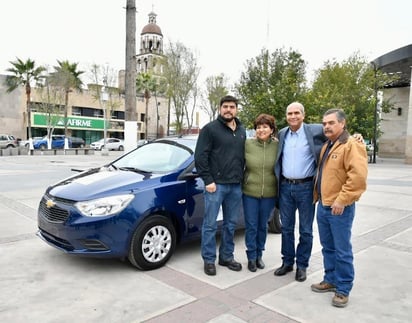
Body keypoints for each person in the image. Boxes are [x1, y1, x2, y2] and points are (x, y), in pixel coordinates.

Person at [311, 109, 367, 308]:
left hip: (339, 208)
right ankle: (331, 279)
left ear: (342, 124)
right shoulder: (327, 145)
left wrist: (342, 200)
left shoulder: (351, 145)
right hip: (324, 205)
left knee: (342, 250)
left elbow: (358, 178)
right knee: (328, 247)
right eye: (324, 123)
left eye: (331, 123)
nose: (326, 126)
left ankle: (343, 289)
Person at [194, 95, 247, 276]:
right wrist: (208, 180)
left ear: (236, 109)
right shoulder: (210, 129)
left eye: (232, 107)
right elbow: (200, 157)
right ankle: (209, 260)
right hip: (216, 186)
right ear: (219, 109)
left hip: (235, 186)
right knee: (210, 225)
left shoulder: (241, 130)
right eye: (225, 106)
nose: (228, 110)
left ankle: (226, 256)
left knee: (230, 224)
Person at [274, 102, 326, 282]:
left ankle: (302, 265)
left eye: (297, 113)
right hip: (286, 187)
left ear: (303, 115)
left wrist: (355, 137)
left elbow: (338, 132)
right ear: (286, 116)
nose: (293, 116)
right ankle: (287, 262)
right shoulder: (282, 134)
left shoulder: (316, 130)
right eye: (290, 113)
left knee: (305, 230)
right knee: (286, 228)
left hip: (306, 188)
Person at [242, 114, 278, 272]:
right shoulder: (248, 144)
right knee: (251, 226)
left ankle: (259, 255)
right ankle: (250, 257)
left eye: (265, 127)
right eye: (258, 127)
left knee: (263, 225)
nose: (261, 130)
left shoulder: (277, 145)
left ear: (271, 129)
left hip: (269, 194)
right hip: (250, 192)